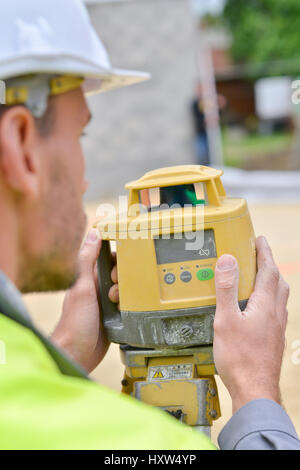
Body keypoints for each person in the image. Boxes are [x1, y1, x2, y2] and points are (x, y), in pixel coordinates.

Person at [0, 0, 299, 451]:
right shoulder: (138, 443)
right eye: (79, 133)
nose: (83, 178)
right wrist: (257, 390)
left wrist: (64, 352)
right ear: (22, 145)